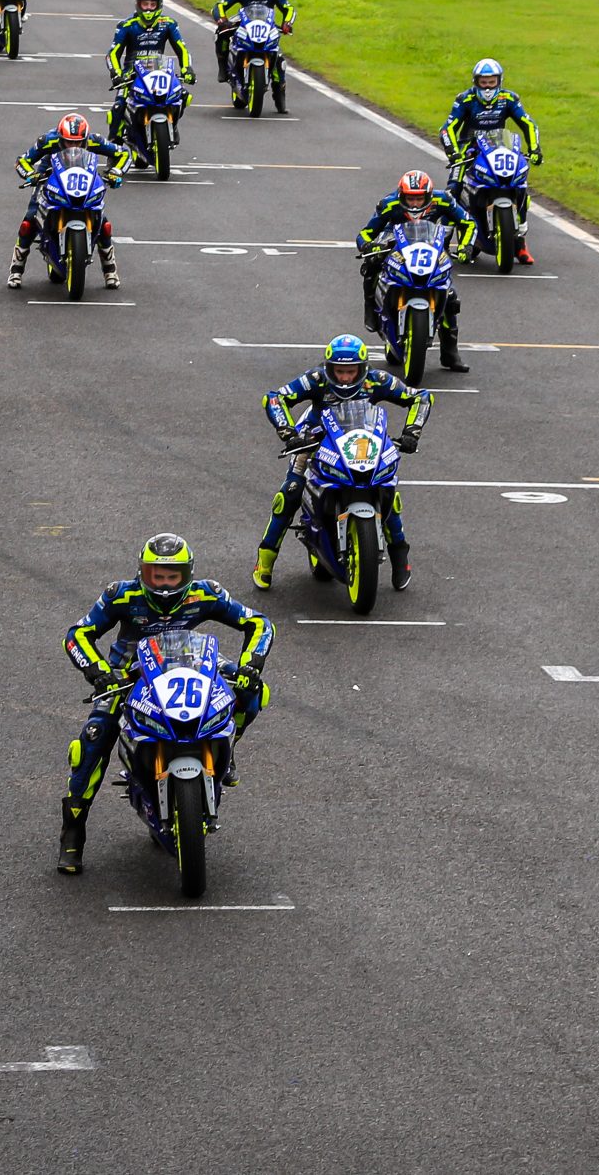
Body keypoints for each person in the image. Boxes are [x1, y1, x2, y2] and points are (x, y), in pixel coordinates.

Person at [56, 532, 273, 874]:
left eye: (172, 576)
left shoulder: (207, 593)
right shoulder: (120, 595)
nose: (165, 584)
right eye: (157, 575)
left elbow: (259, 623)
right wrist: (99, 672)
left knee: (254, 690)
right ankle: (73, 831)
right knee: (95, 736)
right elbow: (77, 635)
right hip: (129, 675)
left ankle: (228, 749)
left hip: (193, 666)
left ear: (187, 575)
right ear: (142, 572)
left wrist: (250, 664)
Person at [255, 335, 431, 593]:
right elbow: (274, 398)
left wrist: (412, 431)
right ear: (329, 368)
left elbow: (420, 397)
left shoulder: (376, 380)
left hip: (362, 443)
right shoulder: (316, 379)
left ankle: (400, 559)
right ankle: (265, 560)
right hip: (316, 439)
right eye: (339, 371)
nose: (345, 377)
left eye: (351, 371)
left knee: (388, 490)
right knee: (291, 491)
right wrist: (289, 434)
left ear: (362, 368)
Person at [356, 169, 477, 366]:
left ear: (428, 196)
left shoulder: (443, 200)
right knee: (370, 267)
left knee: (450, 296)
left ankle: (450, 352)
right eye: (410, 199)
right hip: (395, 248)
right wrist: (371, 246)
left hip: (432, 251)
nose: (414, 204)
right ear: (402, 195)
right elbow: (365, 233)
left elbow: (468, 222)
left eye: (419, 199)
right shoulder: (389, 203)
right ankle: (371, 308)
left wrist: (467, 246)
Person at [438, 58, 543, 266]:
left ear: (499, 81)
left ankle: (520, 244)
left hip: (499, 147)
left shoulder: (509, 98)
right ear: (476, 81)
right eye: (483, 82)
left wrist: (534, 149)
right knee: (453, 190)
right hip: (469, 149)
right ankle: (442, 243)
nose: (487, 87)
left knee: (519, 184)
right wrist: (454, 154)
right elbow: (447, 129)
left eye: (491, 82)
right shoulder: (464, 99)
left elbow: (527, 124)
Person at [9, 113, 132, 289]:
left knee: (103, 221)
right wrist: (31, 175)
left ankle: (110, 270)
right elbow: (22, 160)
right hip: (51, 177)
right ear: (60, 138)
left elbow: (124, 154)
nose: (73, 145)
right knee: (30, 218)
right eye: (68, 142)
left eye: (77, 142)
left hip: (83, 181)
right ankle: (16, 269)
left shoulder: (94, 140)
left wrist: (116, 172)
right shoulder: (48, 140)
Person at [105, 0, 195, 95]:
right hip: (131, 76)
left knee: (183, 96)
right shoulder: (126, 25)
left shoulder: (169, 24)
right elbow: (112, 54)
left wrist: (187, 69)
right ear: (138, 5)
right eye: (145, 4)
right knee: (118, 107)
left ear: (159, 5)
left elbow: (182, 49)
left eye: (152, 5)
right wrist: (116, 74)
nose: (148, 8)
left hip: (160, 73)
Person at [212, 0, 294, 84]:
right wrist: (222, 20)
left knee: (277, 52)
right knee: (221, 33)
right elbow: (220, 6)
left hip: (267, 23)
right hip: (244, 21)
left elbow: (288, 8)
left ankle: (277, 80)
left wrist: (287, 23)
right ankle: (223, 67)